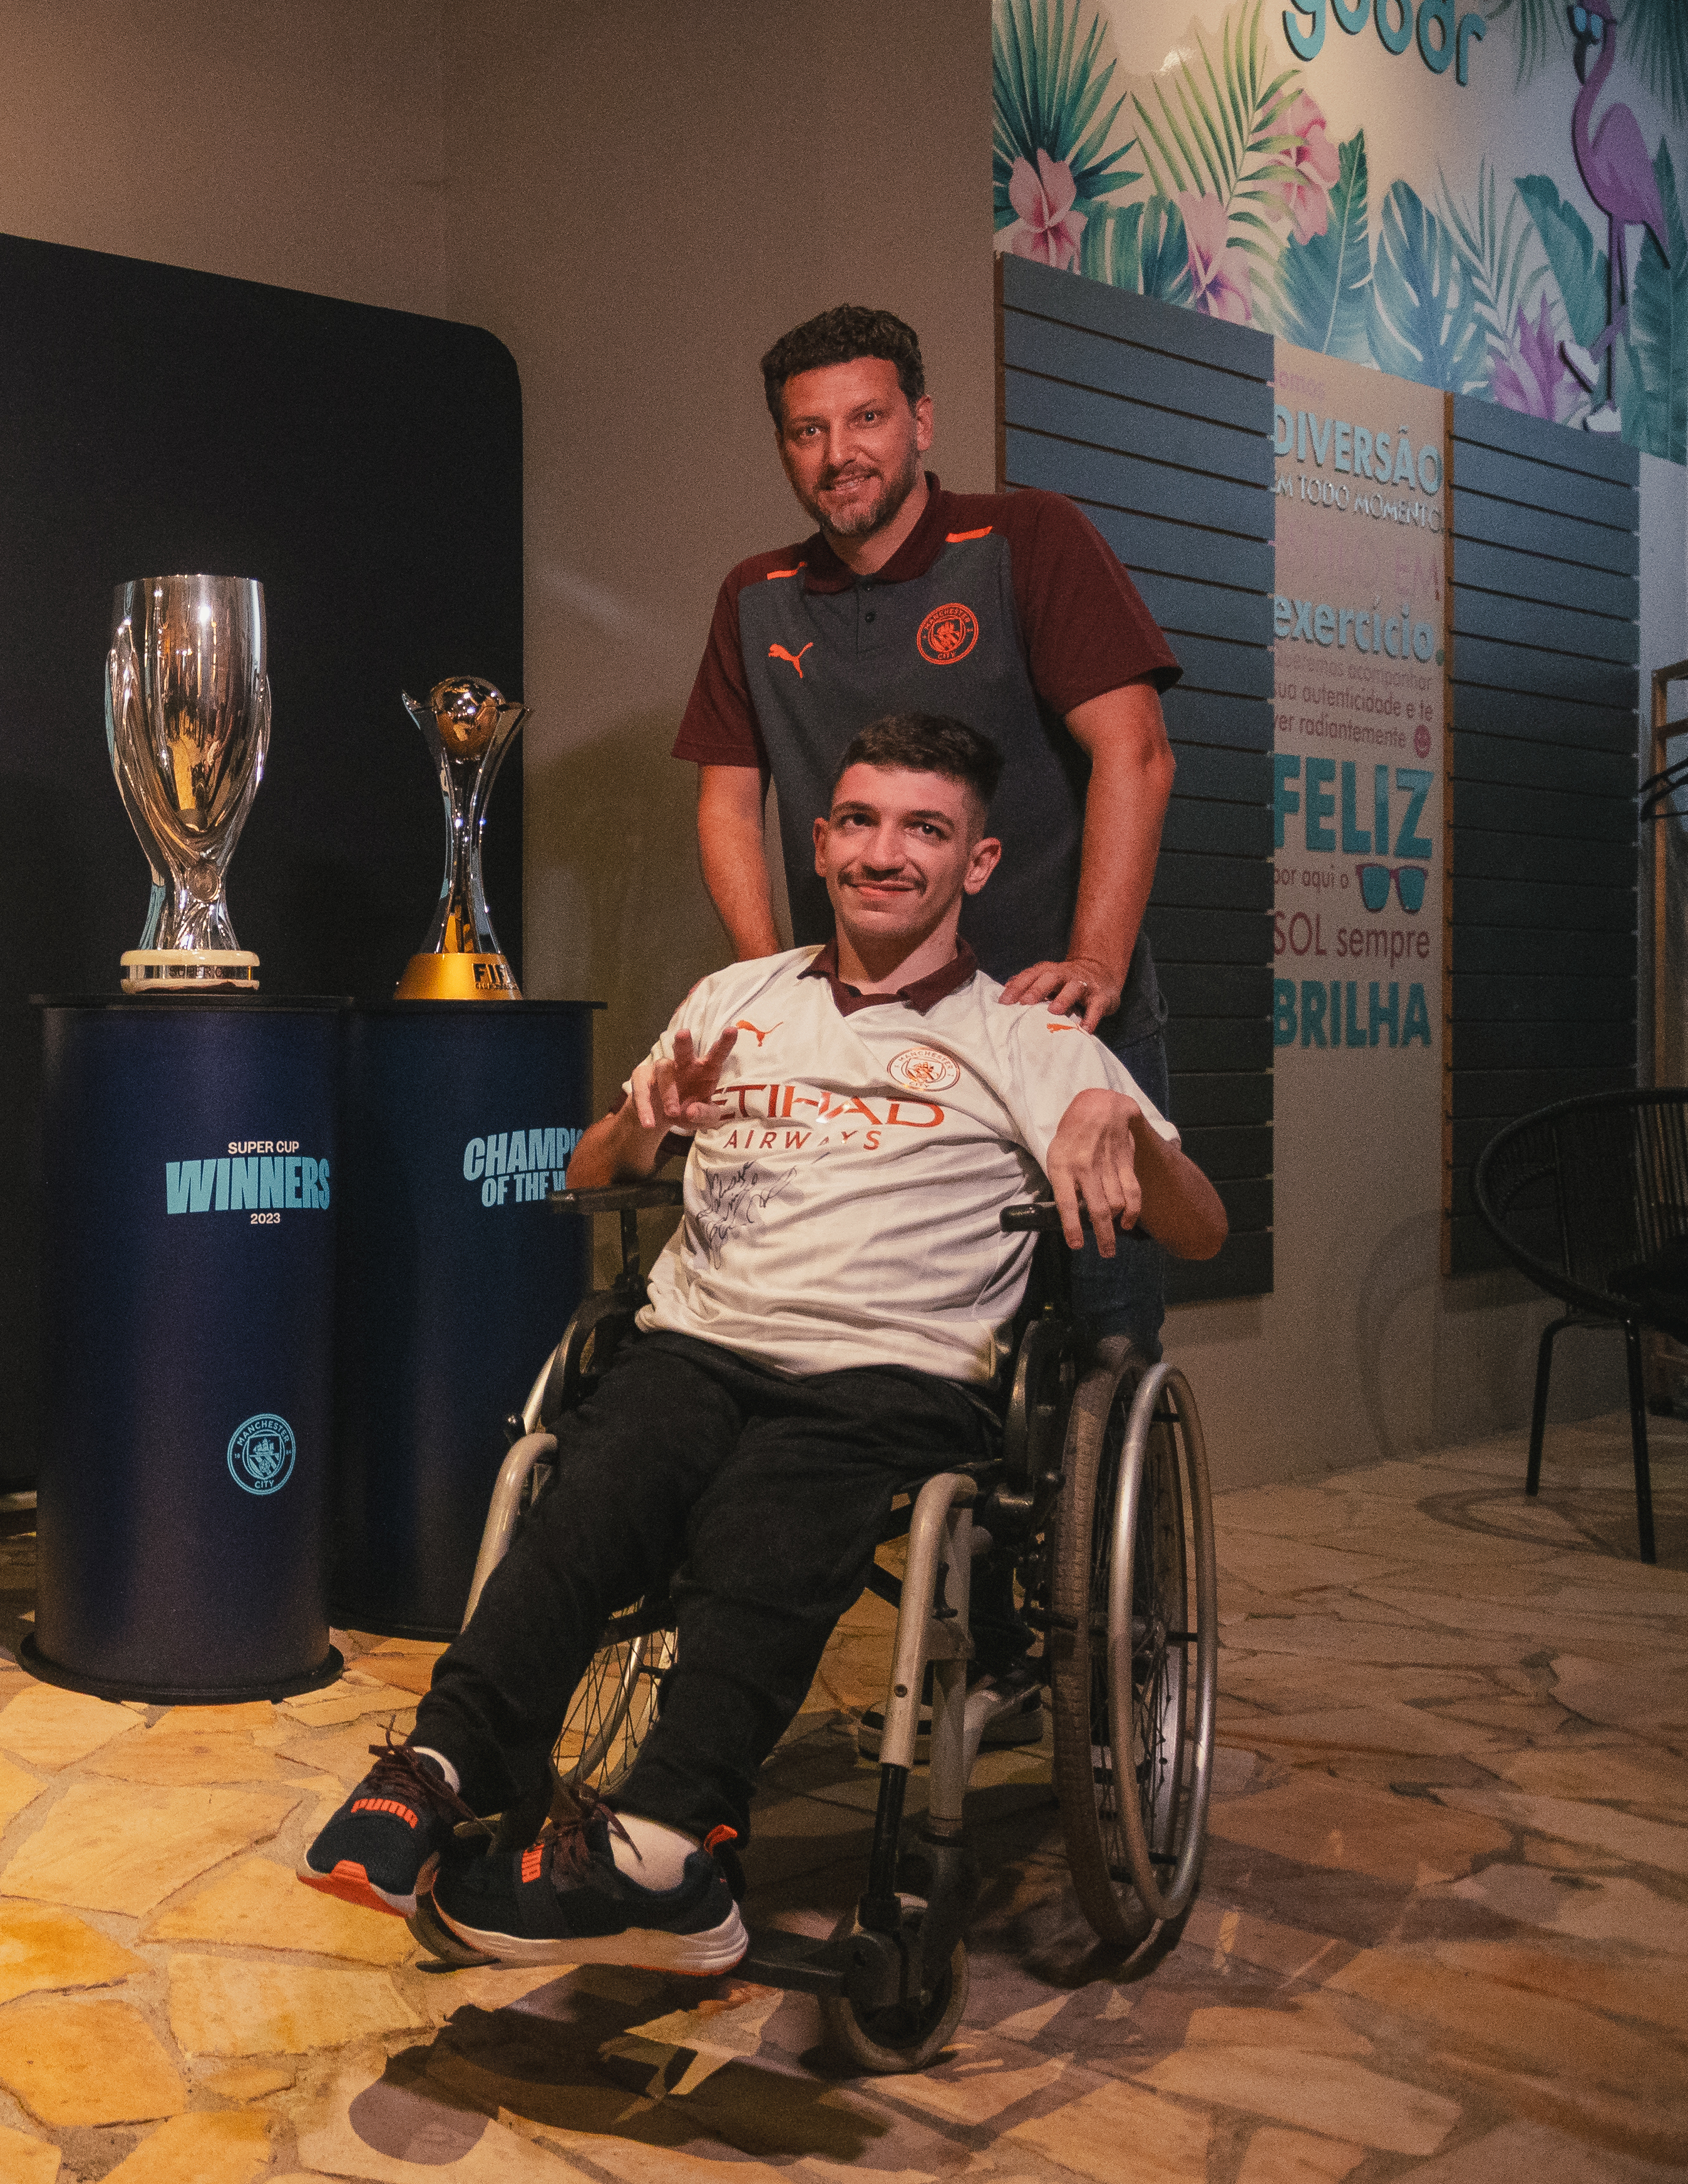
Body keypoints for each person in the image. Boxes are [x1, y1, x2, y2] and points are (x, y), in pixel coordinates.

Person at [298, 712, 1225, 1972]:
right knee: (594, 1485)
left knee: (771, 1513)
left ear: (979, 863)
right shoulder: (738, 996)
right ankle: (446, 1760)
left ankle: (670, 1847)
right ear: (824, 842)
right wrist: (643, 1127)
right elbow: (590, 1167)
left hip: (890, 1373)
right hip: (699, 1342)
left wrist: (1120, 1118)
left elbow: (1203, 1227)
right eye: (859, 822)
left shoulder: (1032, 1035)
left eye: (924, 829)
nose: (884, 853)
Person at [679, 305, 1183, 1356]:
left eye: (865, 419)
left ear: (922, 421)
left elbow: (1133, 753)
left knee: (1103, 1345)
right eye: (806, 431)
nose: (837, 453)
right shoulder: (755, 598)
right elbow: (728, 800)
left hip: (1052, 1019)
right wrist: (767, 983)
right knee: (879, 1329)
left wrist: (1095, 957)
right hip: (874, 1035)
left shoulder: (1022, 540)